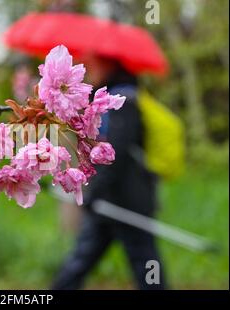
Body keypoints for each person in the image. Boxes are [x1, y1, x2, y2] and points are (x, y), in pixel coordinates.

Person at [51, 54, 167, 290]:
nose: (89, 70)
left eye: (94, 64)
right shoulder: (106, 100)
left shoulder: (125, 102)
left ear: (110, 64)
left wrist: (95, 190)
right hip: (108, 202)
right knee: (81, 260)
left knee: (144, 263)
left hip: (128, 202)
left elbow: (117, 153)